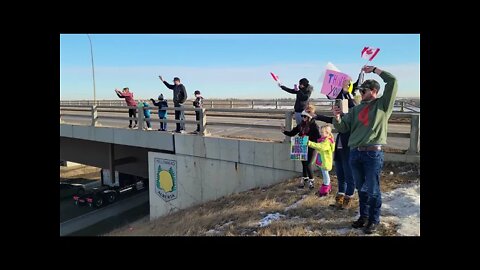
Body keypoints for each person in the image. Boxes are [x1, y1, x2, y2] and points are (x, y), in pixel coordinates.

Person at [332, 65, 398, 234]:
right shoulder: (356, 110)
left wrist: (375, 70)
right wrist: (337, 116)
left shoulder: (382, 105)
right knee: (361, 189)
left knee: (373, 189)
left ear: (374, 91)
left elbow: (393, 81)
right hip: (355, 153)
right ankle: (364, 216)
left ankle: (374, 220)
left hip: (372, 153)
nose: (361, 93)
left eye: (364, 90)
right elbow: (342, 127)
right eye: (360, 91)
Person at [312, 80, 357, 209]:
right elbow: (329, 119)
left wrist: (346, 92)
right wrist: (315, 116)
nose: (339, 109)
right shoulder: (340, 119)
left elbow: (354, 107)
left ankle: (348, 200)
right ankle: (339, 200)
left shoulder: (352, 118)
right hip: (339, 152)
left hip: (348, 150)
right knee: (340, 176)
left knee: (349, 176)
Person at [282, 110, 320, 189]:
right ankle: (304, 179)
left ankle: (311, 181)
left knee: (308, 164)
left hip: (311, 146)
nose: (303, 118)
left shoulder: (314, 126)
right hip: (301, 144)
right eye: (302, 116)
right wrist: (284, 131)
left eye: (305, 116)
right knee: (304, 163)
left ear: (309, 117)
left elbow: (317, 137)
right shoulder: (301, 125)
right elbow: (292, 133)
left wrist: (307, 139)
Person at [306, 125, 335, 197]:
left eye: (322, 132)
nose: (321, 134)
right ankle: (327, 187)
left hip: (325, 162)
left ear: (327, 133)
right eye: (320, 132)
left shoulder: (327, 142)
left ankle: (325, 189)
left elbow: (320, 147)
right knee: (325, 175)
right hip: (323, 162)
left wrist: (309, 143)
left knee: (326, 176)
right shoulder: (324, 140)